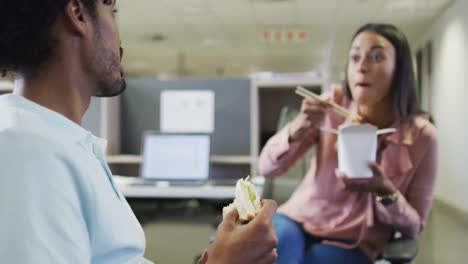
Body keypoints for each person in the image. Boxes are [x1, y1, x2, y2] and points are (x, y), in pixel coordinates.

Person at [0, 1, 278, 263]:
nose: (120, 37)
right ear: (78, 14)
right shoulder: (27, 150)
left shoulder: (60, 142)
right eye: (113, 11)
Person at [259, 23, 438, 264]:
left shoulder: (421, 135)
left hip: (354, 240)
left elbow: (414, 227)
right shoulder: (331, 106)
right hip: (296, 219)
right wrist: (298, 126)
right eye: (355, 57)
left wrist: (385, 192)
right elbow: (267, 169)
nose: (362, 67)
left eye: (376, 56)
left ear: (400, 69)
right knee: (271, 254)